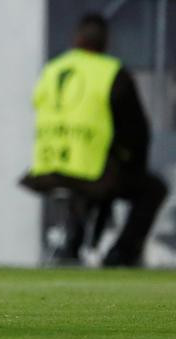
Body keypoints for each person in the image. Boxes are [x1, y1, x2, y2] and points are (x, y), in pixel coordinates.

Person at [21, 14, 168, 266]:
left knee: (96, 184)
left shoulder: (52, 70)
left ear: (76, 39)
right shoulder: (111, 74)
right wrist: (132, 163)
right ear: (105, 42)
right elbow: (136, 131)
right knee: (152, 188)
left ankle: (72, 245)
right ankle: (120, 254)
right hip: (90, 171)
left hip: (46, 169)